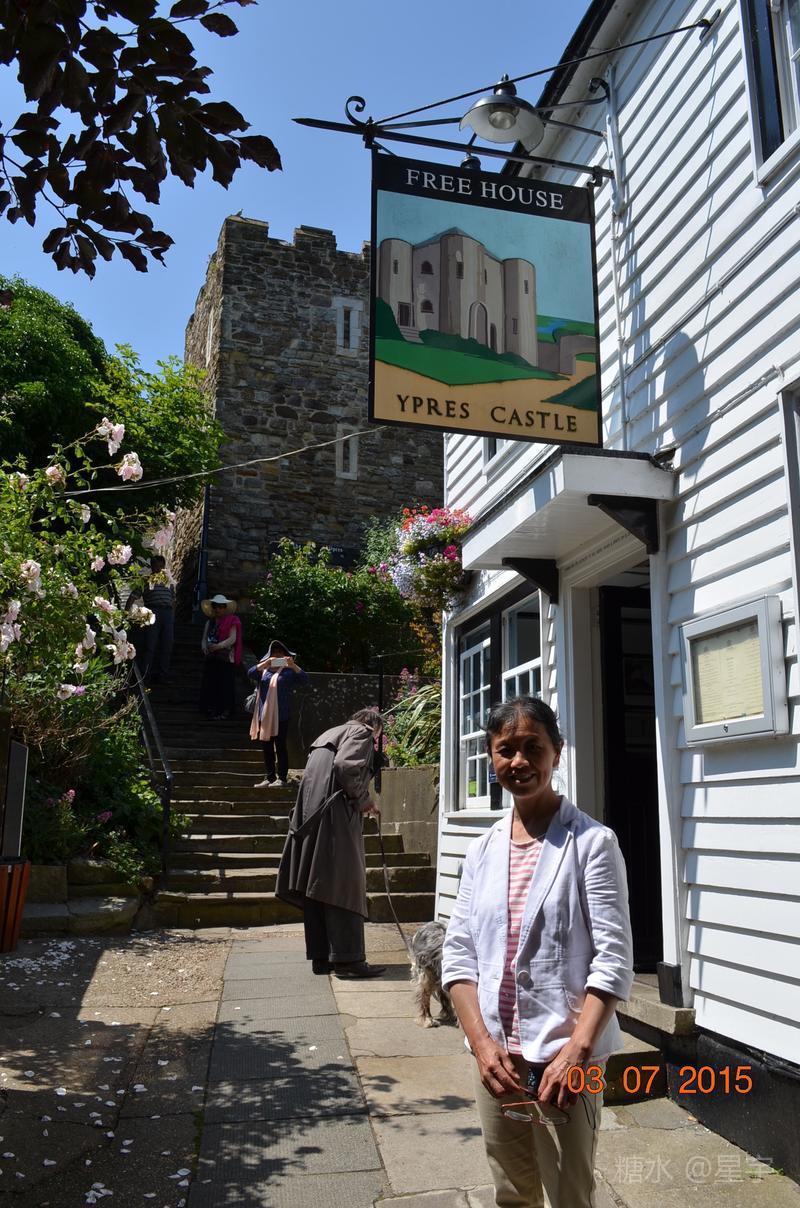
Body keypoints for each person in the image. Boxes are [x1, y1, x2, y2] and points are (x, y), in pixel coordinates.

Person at [442, 696, 633, 1208]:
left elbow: (613, 959)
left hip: (565, 1057)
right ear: (491, 756)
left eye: (533, 746)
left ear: (557, 752)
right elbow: (458, 954)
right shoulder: (481, 851)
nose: (519, 761)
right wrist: (482, 1044)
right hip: (498, 1056)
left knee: (570, 1191)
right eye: (506, 749)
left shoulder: (593, 843)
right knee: (511, 1191)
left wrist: (577, 1052)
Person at [276, 708, 388, 980]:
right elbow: (346, 766)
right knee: (344, 884)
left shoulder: (329, 734)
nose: (375, 742)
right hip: (335, 818)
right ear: (374, 727)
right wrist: (365, 801)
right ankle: (349, 961)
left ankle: (322, 958)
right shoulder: (361, 732)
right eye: (377, 737)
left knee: (318, 887)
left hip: (311, 818)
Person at [248, 639, 309, 788]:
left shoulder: (288, 672)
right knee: (266, 746)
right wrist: (266, 663)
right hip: (264, 714)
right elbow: (250, 673)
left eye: (280, 653)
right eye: (274, 653)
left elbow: (305, 679)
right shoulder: (264, 671)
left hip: (281, 714)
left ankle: (281, 778)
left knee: (280, 746)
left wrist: (293, 665)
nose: (277, 655)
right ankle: (270, 777)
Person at [199, 594, 242, 720]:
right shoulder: (210, 622)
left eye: (220, 607)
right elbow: (204, 638)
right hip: (211, 657)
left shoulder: (232, 620)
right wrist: (204, 647)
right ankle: (211, 709)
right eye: (215, 606)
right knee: (211, 684)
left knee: (225, 685)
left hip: (226, 658)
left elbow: (233, 638)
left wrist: (218, 646)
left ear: (225, 608)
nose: (218, 609)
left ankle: (225, 710)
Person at [141, 555, 176, 684]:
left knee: (167, 644)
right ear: (152, 567)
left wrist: (173, 616)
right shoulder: (146, 580)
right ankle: (145, 676)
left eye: (161, 566)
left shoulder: (168, 581)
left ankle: (163, 675)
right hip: (153, 610)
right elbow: (133, 596)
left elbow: (173, 600)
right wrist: (126, 614)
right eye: (157, 566)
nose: (159, 569)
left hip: (167, 612)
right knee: (150, 644)